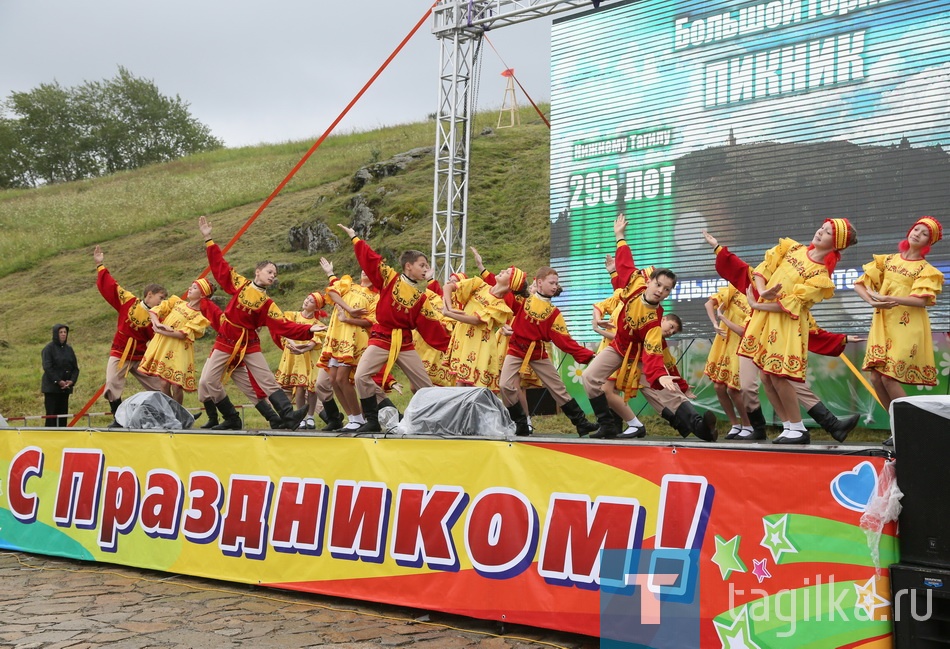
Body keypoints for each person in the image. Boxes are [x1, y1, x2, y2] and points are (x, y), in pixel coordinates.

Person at [704, 229, 862, 443]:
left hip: (784, 323)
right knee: (767, 376)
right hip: (763, 320)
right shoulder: (792, 248)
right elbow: (762, 271)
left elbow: (796, 305)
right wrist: (762, 293)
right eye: (822, 228)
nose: (820, 232)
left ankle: (795, 428)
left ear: (835, 245)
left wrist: (758, 304)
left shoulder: (820, 276)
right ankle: (790, 427)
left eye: (828, 234)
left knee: (777, 374)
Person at [583, 214, 716, 441]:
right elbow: (625, 263)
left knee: (665, 390)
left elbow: (654, 354)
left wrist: (660, 375)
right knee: (589, 377)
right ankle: (607, 425)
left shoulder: (655, 322)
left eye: (666, 290)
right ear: (650, 281)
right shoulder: (635, 283)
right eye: (658, 284)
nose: (660, 291)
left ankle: (700, 426)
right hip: (619, 348)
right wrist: (619, 236)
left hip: (640, 357)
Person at [197, 216, 326, 431]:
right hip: (227, 338)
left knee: (266, 378)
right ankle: (231, 418)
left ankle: (287, 415)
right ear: (258, 272)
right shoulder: (241, 284)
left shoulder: (268, 304)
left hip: (248, 341)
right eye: (269, 272)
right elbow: (220, 268)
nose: (272, 276)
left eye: (274, 274)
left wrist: (309, 328)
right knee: (209, 381)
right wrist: (208, 238)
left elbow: (283, 326)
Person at [337, 223, 451, 433]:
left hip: (405, 343)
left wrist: (453, 348)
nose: (426, 269)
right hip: (381, 337)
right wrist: (355, 238)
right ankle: (372, 420)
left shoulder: (421, 298)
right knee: (362, 376)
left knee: (424, 385)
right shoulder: (390, 278)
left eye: (426, 266)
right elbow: (371, 260)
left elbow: (433, 329)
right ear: (409, 266)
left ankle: (435, 422)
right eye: (423, 265)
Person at [854, 216, 944, 444]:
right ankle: (899, 429)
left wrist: (887, 297)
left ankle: (912, 429)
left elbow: (923, 301)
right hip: (883, 324)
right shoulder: (887, 260)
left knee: (889, 378)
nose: (917, 233)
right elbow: (860, 284)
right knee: (876, 378)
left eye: (924, 233)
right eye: (916, 229)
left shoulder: (926, 269)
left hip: (907, 327)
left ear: (928, 243)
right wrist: (873, 302)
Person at [499, 266, 598, 437]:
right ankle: (520, 424)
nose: (555, 286)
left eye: (556, 283)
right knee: (504, 385)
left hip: (537, 352)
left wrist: (588, 355)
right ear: (539, 282)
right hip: (516, 349)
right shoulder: (524, 300)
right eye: (551, 283)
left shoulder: (553, 314)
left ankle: (581, 423)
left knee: (558, 388)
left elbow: (564, 341)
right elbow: (505, 297)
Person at [94, 245, 167, 426]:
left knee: (160, 385)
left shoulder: (157, 315)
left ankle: (171, 416)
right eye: (160, 297)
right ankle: (118, 420)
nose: (162, 301)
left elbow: (160, 336)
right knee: (111, 383)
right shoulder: (129, 301)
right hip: (120, 352)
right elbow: (111, 287)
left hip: (142, 355)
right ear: (149, 295)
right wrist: (100, 265)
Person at [318, 258, 379, 431]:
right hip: (337, 334)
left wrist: (348, 319)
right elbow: (332, 292)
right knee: (333, 379)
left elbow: (371, 321)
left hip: (353, 339)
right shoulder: (348, 284)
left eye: (370, 270)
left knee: (342, 378)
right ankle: (353, 417)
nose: (365, 271)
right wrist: (349, 309)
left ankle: (359, 418)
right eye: (364, 269)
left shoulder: (376, 296)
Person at [139, 279, 214, 404]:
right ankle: (169, 412)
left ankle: (178, 413)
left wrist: (162, 331)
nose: (190, 288)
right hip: (164, 345)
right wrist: (157, 324)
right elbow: (154, 310)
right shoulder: (177, 302)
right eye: (191, 286)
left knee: (177, 385)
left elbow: (182, 334)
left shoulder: (199, 317)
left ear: (202, 295)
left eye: (194, 288)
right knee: (163, 382)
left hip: (180, 350)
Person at [442, 269, 516, 390]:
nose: (502, 270)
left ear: (509, 284)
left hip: (480, 344)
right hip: (463, 336)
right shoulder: (479, 284)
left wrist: (449, 314)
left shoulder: (501, 307)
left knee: (472, 385)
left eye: (507, 272)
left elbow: (476, 320)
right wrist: (449, 307)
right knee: (460, 381)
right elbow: (448, 287)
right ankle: (462, 408)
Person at [703, 285, 753, 439]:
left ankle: (748, 425)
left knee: (733, 389)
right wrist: (715, 323)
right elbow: (709, 303)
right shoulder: (734, 289)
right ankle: (735, 424)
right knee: (718, 386)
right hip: (723, 343)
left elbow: (744, 331)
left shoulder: (757, 300)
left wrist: (723, 318)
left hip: (740, 347)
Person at [274, 292, 327, 429]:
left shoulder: (317, 324)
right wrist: (294, 344)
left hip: (307, 357)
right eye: (307, 298)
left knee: (311, 388)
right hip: (293, 354)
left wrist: (305, 348)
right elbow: (285, 330)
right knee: (299, 386)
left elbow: (316, 340)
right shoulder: (292, 316)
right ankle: (300, 417)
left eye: (311, 301)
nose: (306, 301)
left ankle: (310, 417)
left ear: (316, 308)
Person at [41, 324, 80, 427]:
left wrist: (71, 381)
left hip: (65, 389)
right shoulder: (48, 349)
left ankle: (63, 436)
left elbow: (75, 368)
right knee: (52, 416)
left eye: (65, 332)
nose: (63, 334)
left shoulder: (69, 349)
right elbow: (47, 367)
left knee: (63, 416)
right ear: (55, 334)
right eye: (61, 332)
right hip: (52, 389)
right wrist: (58, 381)